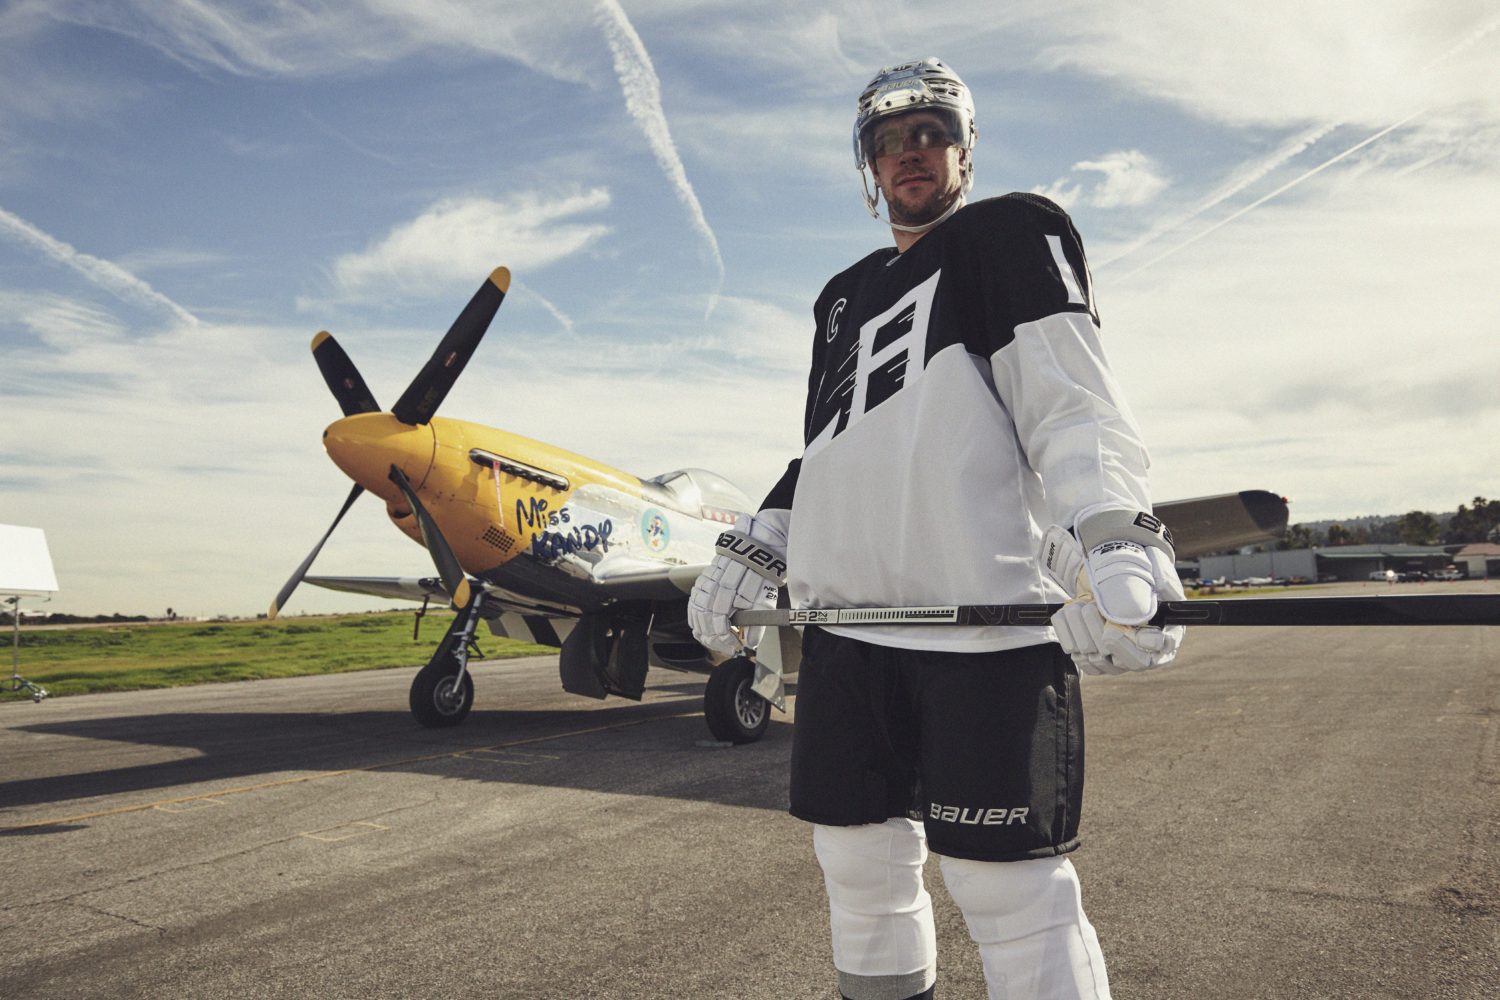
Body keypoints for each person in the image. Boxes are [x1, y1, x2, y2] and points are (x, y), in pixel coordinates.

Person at [689, 57, 1185, 1000]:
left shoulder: (1010, 233)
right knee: (858, 875)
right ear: (869, 169)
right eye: (888, 142)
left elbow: (1070, 401)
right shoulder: (842, 297)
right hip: (846, 637)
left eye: (930, 134)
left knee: (1008, 892)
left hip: (983, 628)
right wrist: (767, 533)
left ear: (965, 149)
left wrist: (1112, 523)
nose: (910, 154)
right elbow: (829, 443)